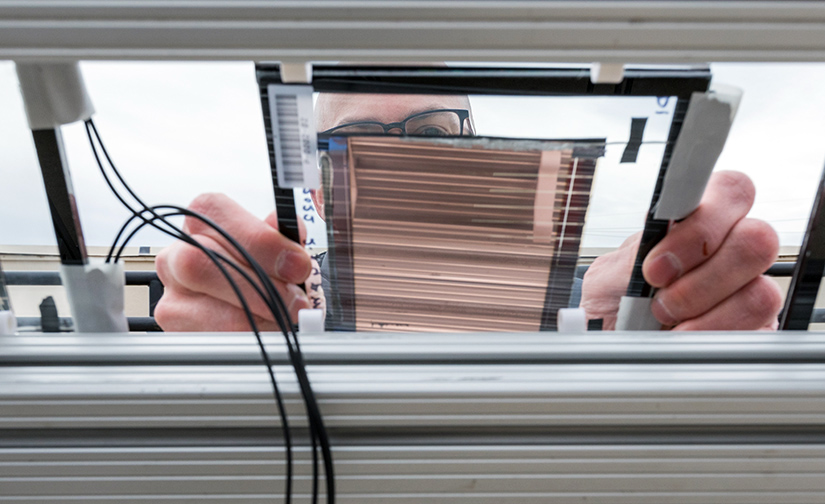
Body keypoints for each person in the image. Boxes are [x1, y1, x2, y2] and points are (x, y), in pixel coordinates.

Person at [153, 92, 783, 332]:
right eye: (362, 143)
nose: (406, 163)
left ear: (483, 156)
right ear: (316, 193)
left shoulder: (579, 301)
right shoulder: (287, 310)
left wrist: (636, 330)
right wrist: (211, 368)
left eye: (431, 132)